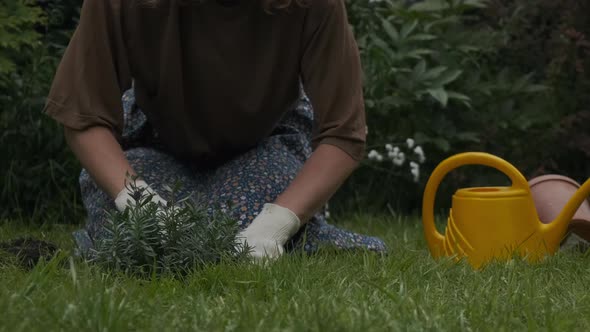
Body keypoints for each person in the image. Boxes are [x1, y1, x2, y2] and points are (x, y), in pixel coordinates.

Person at [43, 0, 387, 260]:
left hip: (266, 143)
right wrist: (141, 204)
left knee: (235, 229)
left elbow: (343, 134)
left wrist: (276, 223)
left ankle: (290, 224)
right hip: (154, 141)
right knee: (137, 237)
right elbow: (84, 115)